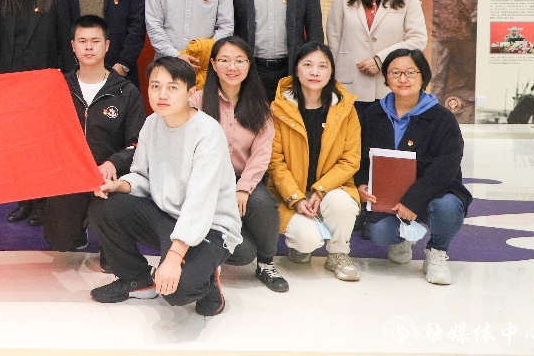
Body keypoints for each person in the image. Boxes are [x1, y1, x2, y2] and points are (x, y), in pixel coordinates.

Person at [88, 57, 241, 317]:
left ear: (191, 93)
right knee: (104, 206)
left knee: (177, 291)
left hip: (210, 227)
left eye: (172, 87)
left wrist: (173, 257)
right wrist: (119, 185)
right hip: (168, 216)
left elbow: (199, 203)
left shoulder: (207, 133)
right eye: (155, 86)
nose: (162, 94)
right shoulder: (152, 123)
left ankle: (208, 278)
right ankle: (137, 280)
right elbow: (143, 177)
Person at [357, 49, 471, 285]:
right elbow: (359, 156)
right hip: (389, 199)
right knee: (379, 233)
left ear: (423, 76)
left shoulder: (442, 119)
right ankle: (404, 239)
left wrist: (413, 200)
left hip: (434, 194)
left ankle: (437, 251)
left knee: (447, 208)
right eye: (395, 73)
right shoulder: (373, 114)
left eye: (410, 73)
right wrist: (361, 182)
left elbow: (446, 167)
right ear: (386, 77)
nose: (403, 79)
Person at [192, 36, 287, 292]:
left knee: (263, 203)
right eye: (224, 60)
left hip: (242, 178)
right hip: (205, 181)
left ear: (249, 65)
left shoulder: (261, 108)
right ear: (213, 64)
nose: (232, 68)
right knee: (243, 253)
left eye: (239, 61)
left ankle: (266, 263)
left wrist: (243, 188)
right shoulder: (197, 102)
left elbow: (261, 155)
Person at [45, 15, 144, 261]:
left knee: (113, 263)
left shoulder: (126, 92)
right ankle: (78, 229)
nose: (89, 47)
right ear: (73, 46)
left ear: (107, 45)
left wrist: (114, 163)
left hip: (110, 180)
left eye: (95, 41)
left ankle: (109, 235)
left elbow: (138, 143)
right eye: (82, 41)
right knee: (61, 242)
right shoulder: (58, 87)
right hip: (70, 177)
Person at [0, 0, 74, 226]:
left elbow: (66, 45)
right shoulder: (4, 1)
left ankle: (42, 203)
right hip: (11, 88)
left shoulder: (55, 0)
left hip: (44, 88)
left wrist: (66, 82)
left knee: (42, 147)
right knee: (18, 147)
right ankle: (24, 200)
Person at [268, 42, 363, 282]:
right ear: (296, 69)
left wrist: (320, 189)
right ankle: (301, 247)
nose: (314, 72)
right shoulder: (279, 108)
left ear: (331, 71)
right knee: (307, 240)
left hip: (332, 190)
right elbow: (275, 161)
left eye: (322, 66)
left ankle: (338, 253)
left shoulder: (346, 109)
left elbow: (350, 160)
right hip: (291, 194)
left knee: (341, 203)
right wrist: (296, 198)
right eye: (307, 65)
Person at [326, 0, 427, 111]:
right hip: (349, 85)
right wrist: (329, 82)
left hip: (388, 84)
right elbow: (334, 42)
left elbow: (418, 39)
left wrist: (381, 59)